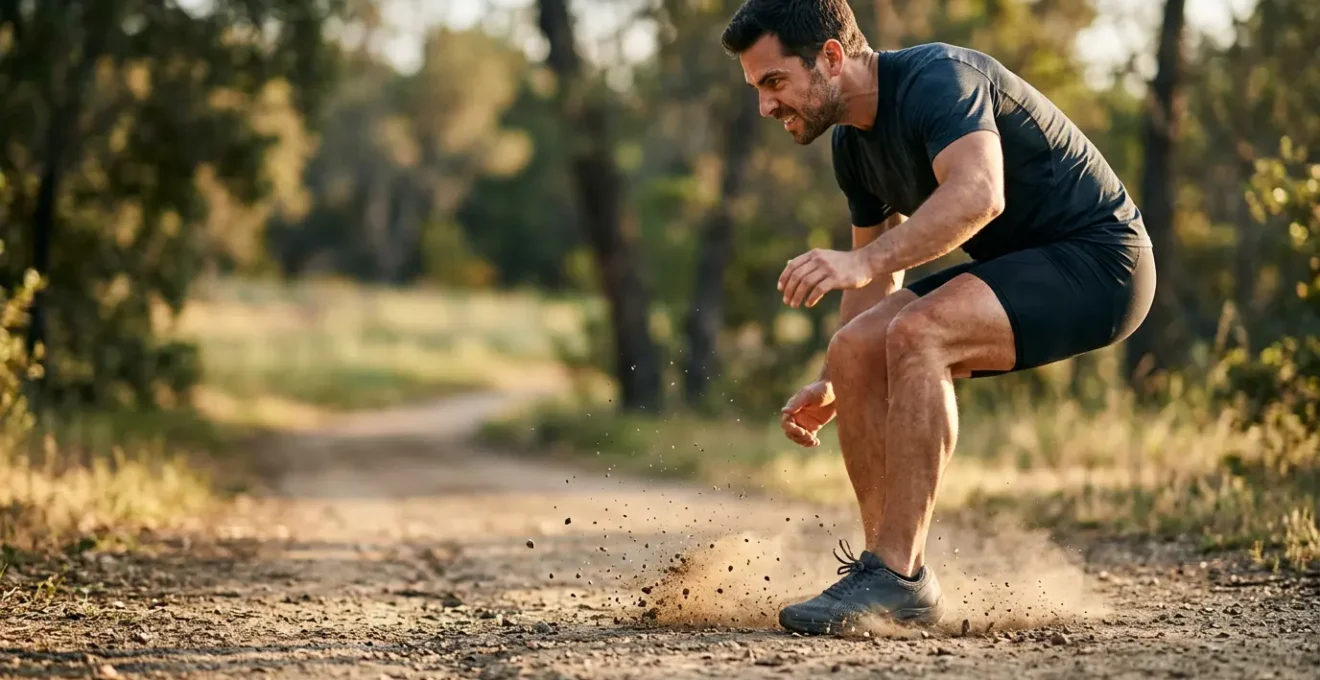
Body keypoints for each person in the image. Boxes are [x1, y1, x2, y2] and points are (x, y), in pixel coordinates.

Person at [719, 0, 1156, 635]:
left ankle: (896, 574)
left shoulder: (939, 80)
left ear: (831, 57)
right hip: (1020, 268)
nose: (765, 106)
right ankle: (886, 576)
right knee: (856, 347)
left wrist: (860, 260)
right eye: (758, 88)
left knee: (920, 331)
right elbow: (874, 281)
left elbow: (979, 193)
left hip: (1103, 263)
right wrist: (836, 379)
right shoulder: (852, 146)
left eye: (774, 81)